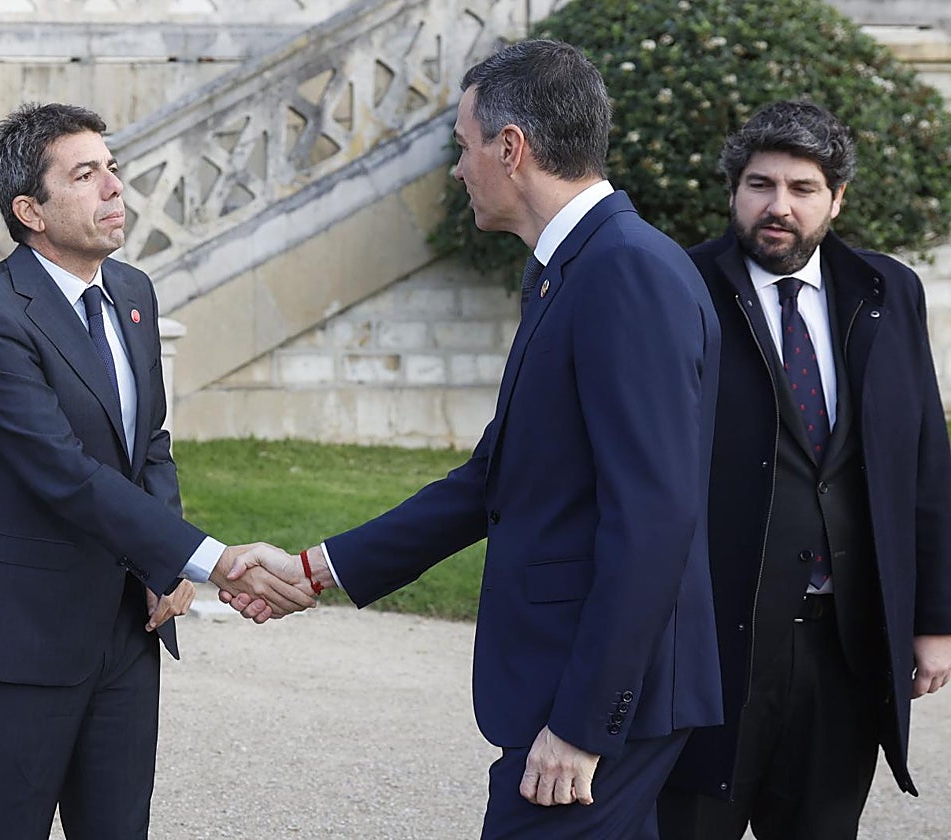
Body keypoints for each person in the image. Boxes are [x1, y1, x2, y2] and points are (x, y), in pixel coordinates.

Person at [227, 40, 724, 838]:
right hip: (571, 692)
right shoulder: (569, 269)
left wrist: (583, 726)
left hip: (595, 709)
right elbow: (496, 475)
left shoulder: (624, 272)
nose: (458, 170)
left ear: (511, 147)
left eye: (463, 148)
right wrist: (318, 569)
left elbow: (654, 519)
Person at [0, 102, 314, 840]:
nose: (115, 189)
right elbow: (65, 475)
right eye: (86, 174)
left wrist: (163, 564)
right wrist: (210, 560)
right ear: (29, 210)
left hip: (129, 629)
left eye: (113, 169)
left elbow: (149, 445)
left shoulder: (132, 292)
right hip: (16, 641)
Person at [656, 100, 951, 840]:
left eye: (802, 188)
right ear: (732, 191)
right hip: (713, 650)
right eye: (760, 185)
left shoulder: (889, 293)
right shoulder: (676, 288)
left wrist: (935, 621)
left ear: (837, 198)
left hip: (844, 647)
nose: (777, 206)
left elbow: (924, 463)